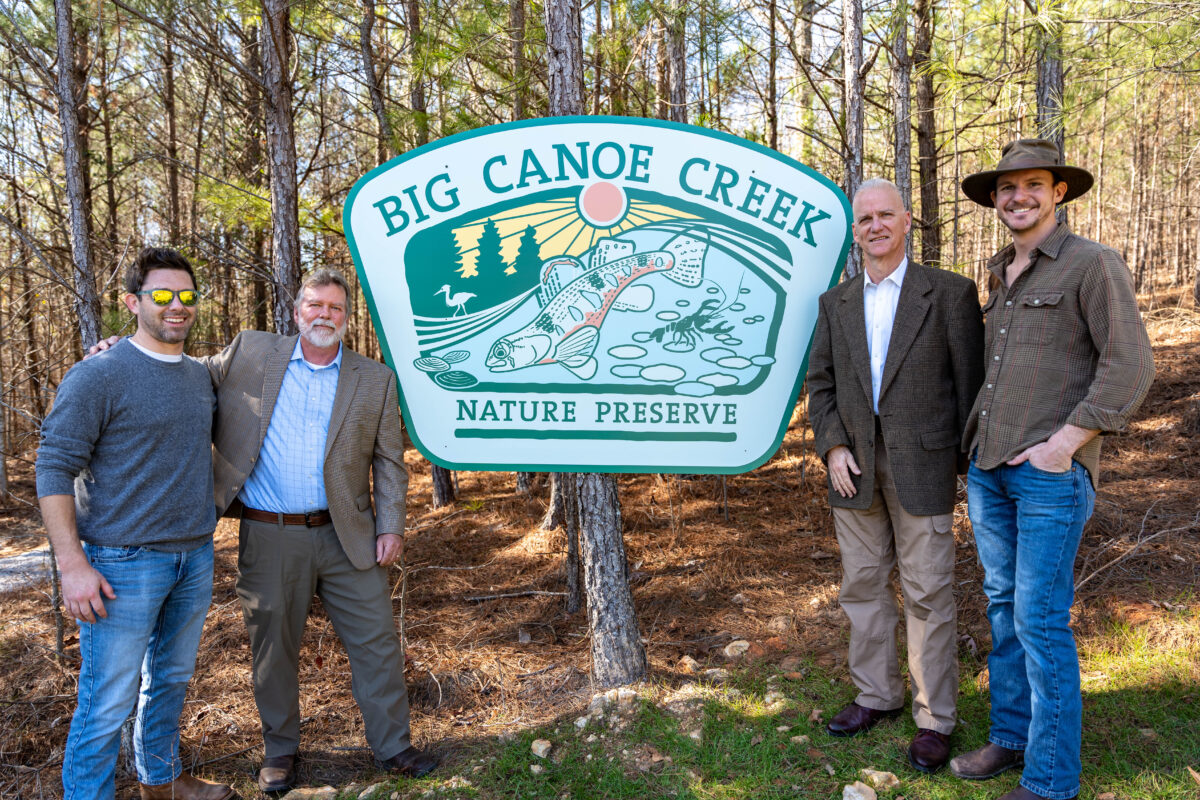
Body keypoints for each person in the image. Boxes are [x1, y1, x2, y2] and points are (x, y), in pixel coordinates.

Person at [951, 139, 1154, 800]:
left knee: (1039, 620)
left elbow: (1130, 367)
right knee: (1005, 610)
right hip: (989, 469)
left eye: (1032, 184)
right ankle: (1011, 741)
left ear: (1058, 191)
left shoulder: (1091, 264)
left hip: (1049, 477)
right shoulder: (999, 271)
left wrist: (1065, 443)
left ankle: (1050, 780)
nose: (1018, 197)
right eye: (1006, 189)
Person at [206, 269, 437, 791]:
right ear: (296, 311)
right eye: (314, 305)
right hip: (271, 535)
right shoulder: (251, 353)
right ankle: (280, 751)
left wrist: (392, 525)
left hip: (348, 534)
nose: (323, 315)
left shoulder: (372, 378)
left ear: (346, 319)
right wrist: (125, 349)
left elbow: (389, 462)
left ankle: (394, 747)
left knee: (376, 642)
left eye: (334, 308)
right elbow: (186, 373)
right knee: (274, 647)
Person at [37, 249, 235, 800]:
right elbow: (53, 466)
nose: (177, 306)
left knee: (169, 682)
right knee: (106, 700)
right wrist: (72, 565)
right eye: (162, 295)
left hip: (193, 556)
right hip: (121, 563)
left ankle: (162, 782)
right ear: (133, 302)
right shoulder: (98, 374)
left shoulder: (199, 376)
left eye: (187, 296)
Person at [806, 178, 984, 773]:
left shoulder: (950, 294)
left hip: (924, 465)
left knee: (929, 591)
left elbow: (970, 387)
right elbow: (821, 386)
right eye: (864, 220)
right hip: (852, 471)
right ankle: (877, 695)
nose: (875, 226)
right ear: (855, 232)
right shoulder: (835, 303)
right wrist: (830, 446)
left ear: (907, 221)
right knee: (862, 586)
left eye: (885, 215)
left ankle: (934, 719)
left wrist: (960, 465)